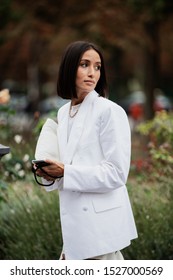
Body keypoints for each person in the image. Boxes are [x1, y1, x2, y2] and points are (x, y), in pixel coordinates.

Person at [34, 41, 138, 260]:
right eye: (84, 64)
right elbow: (67, 167)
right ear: (69, 68)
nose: (92, 73)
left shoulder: (110, 111)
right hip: (74, 230)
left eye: (97, 66)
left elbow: (117, 173)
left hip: (101, 232)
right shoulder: (63, 113)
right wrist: (49, 173)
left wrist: (66, 172)